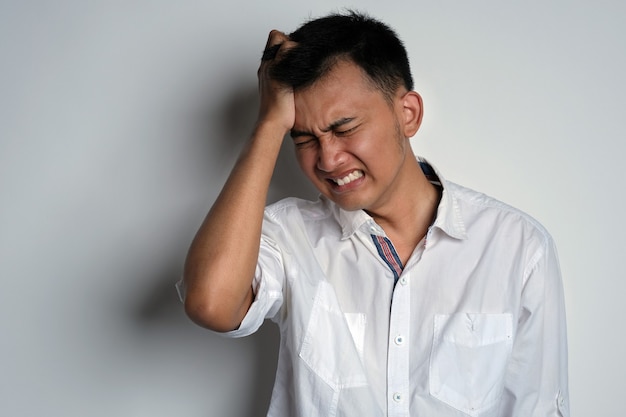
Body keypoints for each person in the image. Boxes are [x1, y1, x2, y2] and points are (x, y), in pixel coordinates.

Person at [179, 11, 569, 417]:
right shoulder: (288, 236)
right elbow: (211, 304)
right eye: (304, 138)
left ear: (408, 115)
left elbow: (536, 407)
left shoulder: (517, 246)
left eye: (344, 129)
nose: (327, 159)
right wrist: (269, 123)